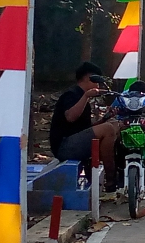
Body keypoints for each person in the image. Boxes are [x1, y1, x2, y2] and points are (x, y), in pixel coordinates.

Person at [50, 62, 119, 190]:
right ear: (88, 78)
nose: (98, 85)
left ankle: (116, 172)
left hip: (75, 142)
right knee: (108, 128)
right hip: (64, 146)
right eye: (96, 81)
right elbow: (70, 117)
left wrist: (105, 118)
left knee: (114, 125)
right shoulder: (72, 94)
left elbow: (86, 130)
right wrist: (86, 96)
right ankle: (110, 179)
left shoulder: (82, 99)